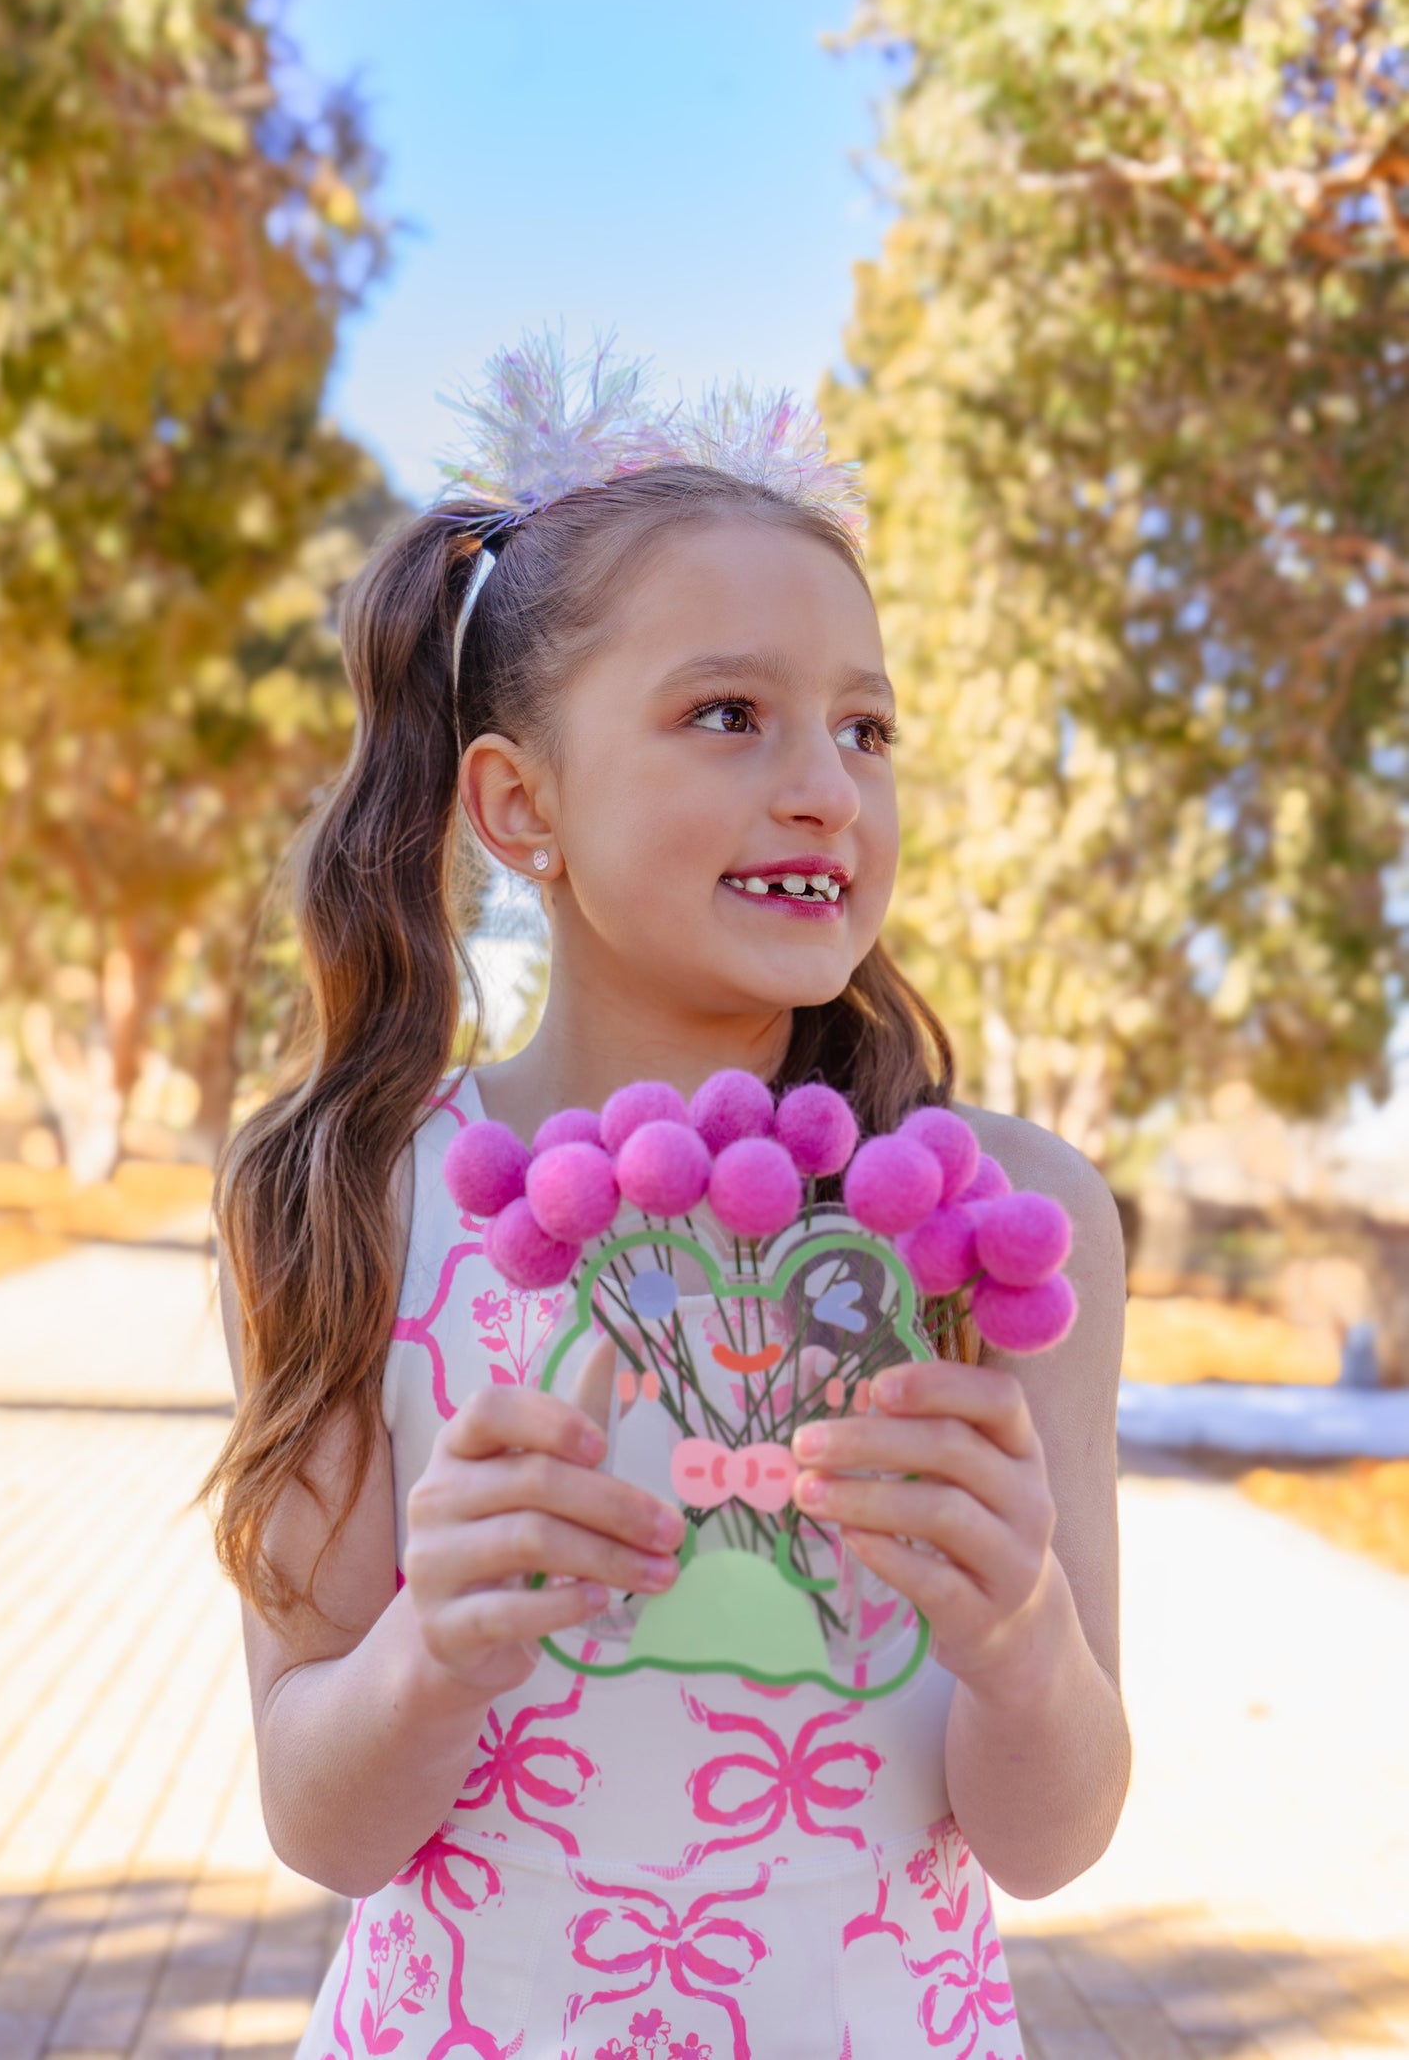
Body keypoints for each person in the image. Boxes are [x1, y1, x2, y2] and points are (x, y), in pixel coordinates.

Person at [201, 337, 1130, 2059]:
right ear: (519, 804)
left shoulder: (1003, 1221)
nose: (823, 784)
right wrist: (432, 1650)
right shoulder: (349, 1198)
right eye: (728, 714)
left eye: (865, 726)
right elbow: (319, 1819)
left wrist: (1021, 1640)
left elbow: (1051, 1833)